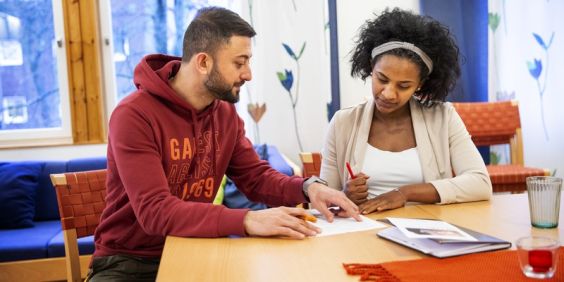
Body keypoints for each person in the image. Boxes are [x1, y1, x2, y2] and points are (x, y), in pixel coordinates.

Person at [89, 7, 359, 281]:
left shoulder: (224, 113)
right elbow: (155, 212)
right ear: (203, 62)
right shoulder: (134, 115)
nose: (248, 74)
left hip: (198, 245)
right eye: (239, 63)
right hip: (129, 261)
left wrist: (307, 187)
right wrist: (246, 220)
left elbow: (255, 178)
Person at [319, 8, 492, 215]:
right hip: (361, 233)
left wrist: (404, 193)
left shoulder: (443, 118)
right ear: (370, 67)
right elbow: (322, 201)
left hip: (426, 231)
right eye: (382, 79)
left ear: (420, 84)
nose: (389, 93)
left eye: (404, 86)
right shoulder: (343, 123)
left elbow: (480, 183)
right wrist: (344, 195)